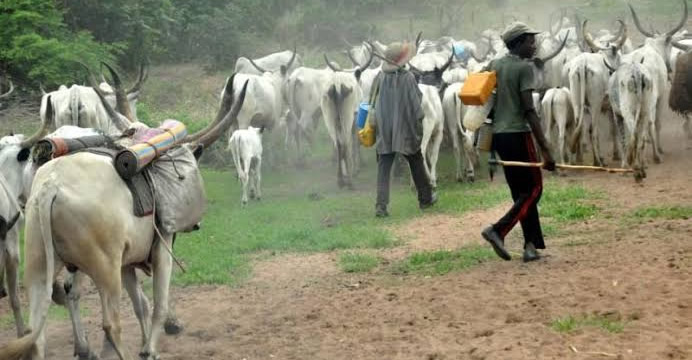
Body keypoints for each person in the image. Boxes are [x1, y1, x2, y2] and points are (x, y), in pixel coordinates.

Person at [481, 22, 556, 262]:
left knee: (520, 193)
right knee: (534, 189)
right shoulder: (525, 69)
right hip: (518, 134)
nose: (534, 45)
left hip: (500, 137)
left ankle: (530, 246)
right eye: (530, 41)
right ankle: (498, 230)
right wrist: (546, 149)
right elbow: (529, 110)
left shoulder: (494, 65)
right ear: (519, 43)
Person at [371, 41, 437, 217]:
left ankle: (381, 206)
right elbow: (416, 104)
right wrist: (418, 121)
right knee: (415, 160)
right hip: (405, 129)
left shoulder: (380, 77)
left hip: (384, 130)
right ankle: (425, 199)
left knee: (384, 166)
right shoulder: (407, 78)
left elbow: (373, 102)